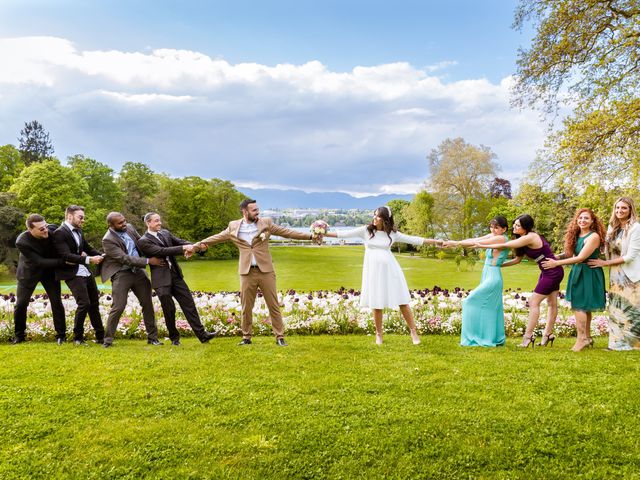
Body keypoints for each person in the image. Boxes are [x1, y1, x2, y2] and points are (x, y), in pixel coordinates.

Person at [198, 199, 315, 346]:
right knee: (246, 306)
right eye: (254, 210)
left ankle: (280, 337)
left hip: (266, 271)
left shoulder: (266, 223)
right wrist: (196, 246)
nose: (257, 212)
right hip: (246, 272)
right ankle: (246, 337)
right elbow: (217, 238)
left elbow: (287, 232)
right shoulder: (233, 226)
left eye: (257, 209)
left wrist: (310, 236)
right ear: (245, 212)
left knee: (273, 305)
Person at [323, 206, 441, 345]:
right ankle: (379, 334)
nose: (374, 218)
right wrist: (322, 233)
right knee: (376, 302)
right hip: (373, 272)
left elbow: (413, 239)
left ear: (385, 219)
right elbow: (343, 234)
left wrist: (434, 242)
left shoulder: (392, 234)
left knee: (402, 301)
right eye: (374, 215)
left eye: (378, 216)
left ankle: (413, 332)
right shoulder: (365, 231)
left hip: (391, 270)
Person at [476, 214, 564, 348]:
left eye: (518, 225)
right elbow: (517, 260)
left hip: (552, 272)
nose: (514, 227)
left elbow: (507, 244)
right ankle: (547, 335)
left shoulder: (531, 237)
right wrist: (500, 265)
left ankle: (527, 337)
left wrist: (480, 245)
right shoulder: (523, 239)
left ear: (526, 227)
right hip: (548, 271)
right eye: (514, 224)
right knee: (551, 302)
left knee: (533, 302)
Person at [137, 212, 216, 346]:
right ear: (148, 223)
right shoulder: (143, 241)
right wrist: (183, 248)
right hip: (161, 280)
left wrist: (196, 247)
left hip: (176, 275)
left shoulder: (165, 233)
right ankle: (174, 338)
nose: (159, 223)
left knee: (189, 305)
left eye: (159, 220)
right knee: (169, 309)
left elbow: (180, 242)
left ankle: (203, 335)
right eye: (156, 221)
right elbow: (161, 252)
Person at [541, 209, 606, 351]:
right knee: (584, 305)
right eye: (580, 218)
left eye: (586, 218)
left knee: (580, 305)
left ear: (592, 221)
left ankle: (581, 339)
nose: (582, 220)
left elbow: (581, 257)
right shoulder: (577, 235)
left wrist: (556, 264)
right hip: (578, 271)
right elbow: (570, 254)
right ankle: (587, 338)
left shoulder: (593, 236)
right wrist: (554, 257)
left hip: (588, 272)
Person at [100, 212, 165, 348]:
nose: (124, 224)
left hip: (139, 273)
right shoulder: (108, 240)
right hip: (122, 274)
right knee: (118, 307)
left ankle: (152, 338)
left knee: (147, 304)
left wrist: (157, 252)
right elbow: (124, 258)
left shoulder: (129, 227)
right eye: (120, 223)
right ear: (111, 225)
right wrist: (148, 261)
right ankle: (108, 341)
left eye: (124, 221)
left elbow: (141, 243)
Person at [443, 216, 509, 347]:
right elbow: (475, 240)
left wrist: (455, 243)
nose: (493, 230)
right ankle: (489, 337)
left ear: (504, 229)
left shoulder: (501, 238)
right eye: (491, 226)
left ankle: (481, 337)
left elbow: (476, 244)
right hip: (487, 273)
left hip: (493, 276)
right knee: (488, 307)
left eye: (497, 227)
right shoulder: (492, 235)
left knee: (470, 301)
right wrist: (454, 242)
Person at [587, 197, 640, 350]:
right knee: (616, 309)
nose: (619, 211)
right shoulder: (613, 227)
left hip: (630, 275)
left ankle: (633, 345)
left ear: (630, 210)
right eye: (617, 208)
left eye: (624, 208)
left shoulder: (635, 228)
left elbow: (630, 256)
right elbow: (607, 249)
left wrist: (604, 264)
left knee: (632, 310)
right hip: (615, 274)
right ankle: (617, 344)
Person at [53, 205, 105, 346]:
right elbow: (65, 255)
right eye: (80, 217)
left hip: (85, 271)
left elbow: (87, 248)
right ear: (70, 216)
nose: (83, 220)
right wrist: (89, 259)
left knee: (94, 303)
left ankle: (101, 337)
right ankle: (77, 338)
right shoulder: (59, 233)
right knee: (84, 303)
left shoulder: (80, 231)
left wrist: (102, 255)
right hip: (72, 272)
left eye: (83, 217)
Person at [12, 214, 66, 344]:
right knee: (21, 304)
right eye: (41, 229)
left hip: (49, 272)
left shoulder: (53, 230)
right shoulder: (22, 241)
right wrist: (64, 261)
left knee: (56, 302)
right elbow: (39, 261)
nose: (46, 230)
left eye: (46, 226)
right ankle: (19, 336)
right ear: (30, 230)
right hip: (29, 272)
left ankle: (61, 335)